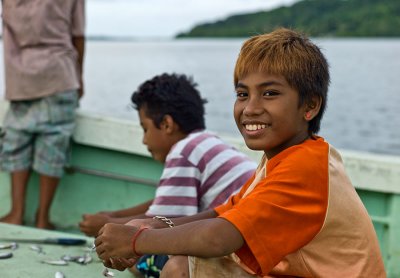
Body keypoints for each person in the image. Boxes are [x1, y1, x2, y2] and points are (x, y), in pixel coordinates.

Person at [94, 28, 386, 277]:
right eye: (242, 94)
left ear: (309, 106)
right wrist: (153, 224)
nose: (250, 108)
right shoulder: (285, 157)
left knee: (181, 266)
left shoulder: (305, 167)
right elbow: (224, 212)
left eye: (270, 93)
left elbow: (218, 237)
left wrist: (138, 240)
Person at [80, 73, 257, 276]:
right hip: (240, 236)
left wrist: (103, 226)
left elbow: (167, 220)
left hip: (233, 245)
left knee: (139, 260)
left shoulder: (183, 151)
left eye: (145, 129)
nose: (144, 141)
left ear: (166, 124)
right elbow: (161, 204)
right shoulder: (205, 143)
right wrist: (112, 217)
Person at [0, 0, 85, 229]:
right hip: (59, 73)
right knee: (53, 147)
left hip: (19, 77)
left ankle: (16, 213)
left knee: (16, 142)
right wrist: (80, 77)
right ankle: (42, 218)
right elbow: (78, 34)